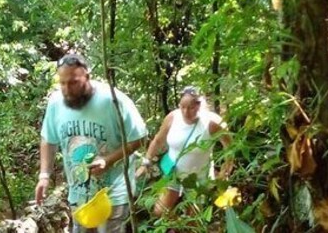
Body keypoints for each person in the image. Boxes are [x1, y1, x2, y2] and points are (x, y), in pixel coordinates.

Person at [35, 53, 148, 233]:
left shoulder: (113, 100)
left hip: (114, 193)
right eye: (62, 83)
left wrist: (108, 160)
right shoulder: (55, 102)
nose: (66, 89)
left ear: (87, 77)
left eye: (73, 82)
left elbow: (139, 138)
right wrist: (44, 175)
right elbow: (48, 139)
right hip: (79, 194)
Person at [136, 86, 233, 217]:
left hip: (199, 178)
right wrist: (146, 162)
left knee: (194, 219)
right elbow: (158, 141)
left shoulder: (212, 123)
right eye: (182, 107)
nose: (186, 112)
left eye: (192, 108)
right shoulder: (172, 118)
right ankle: (177, 227)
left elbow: (230, 147)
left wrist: (225, 171)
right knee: (159, 211)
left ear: (201, 106)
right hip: (173, 173)